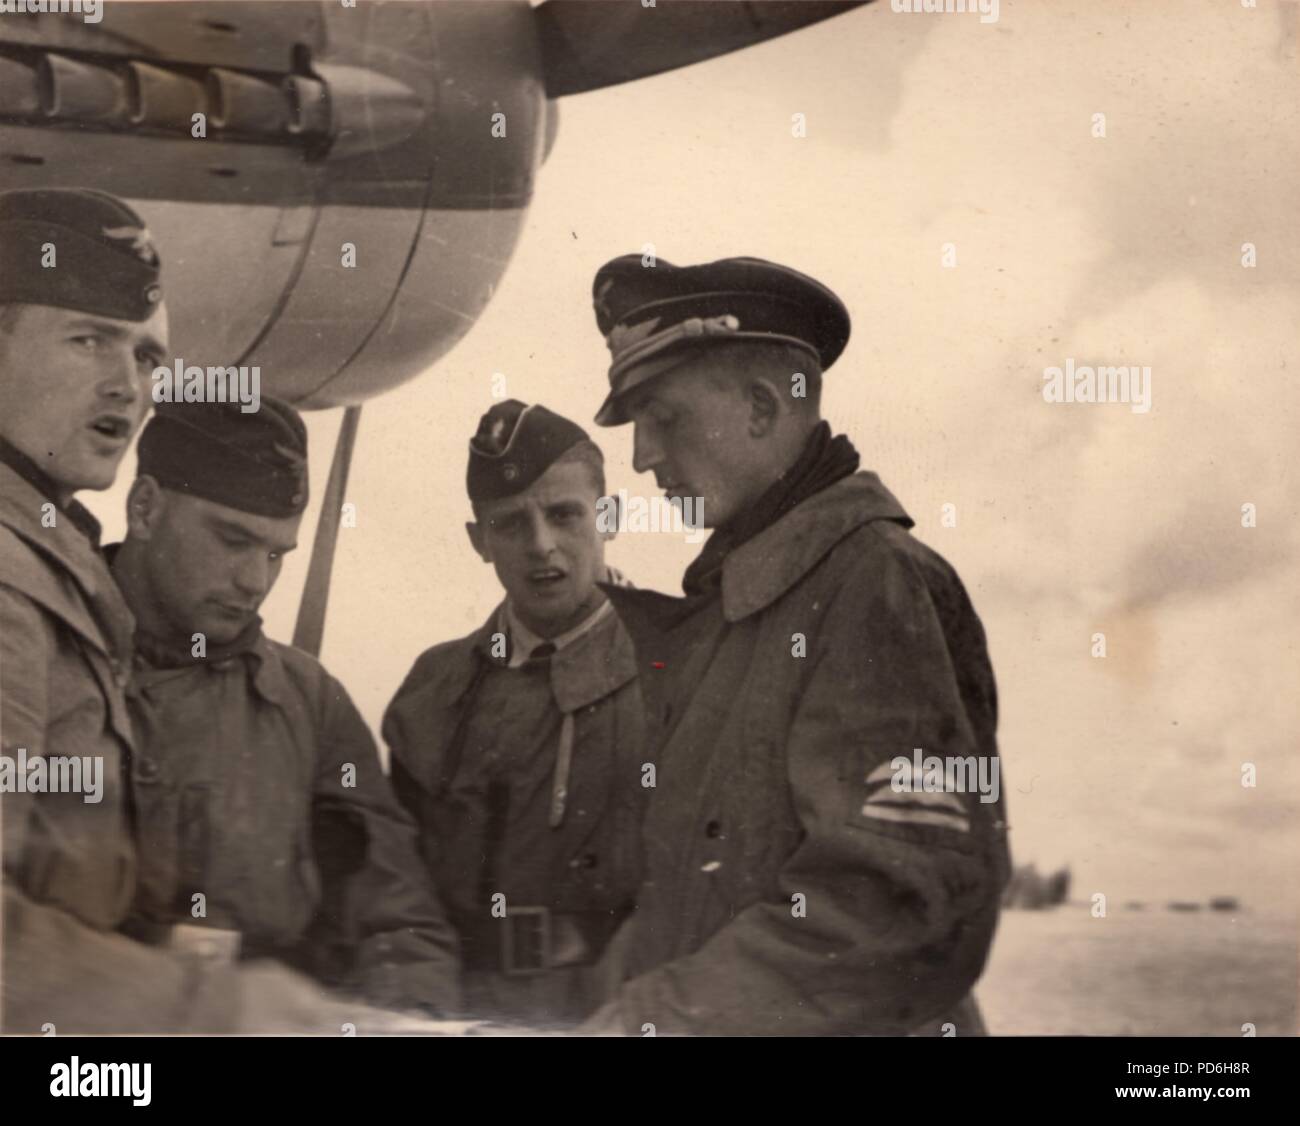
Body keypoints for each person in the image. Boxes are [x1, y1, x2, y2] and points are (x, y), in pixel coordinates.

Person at [579, 254, 1012, 1035]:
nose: (641, 457)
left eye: (664, 418)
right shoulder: (741, 609)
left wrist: (660, 1017)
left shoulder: (876, 586)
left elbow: (897, 901)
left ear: (760, 407)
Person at [107, 396, 461, 1015]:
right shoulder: (41, 653)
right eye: (233, 540)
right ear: (144, 508)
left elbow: (396, 923)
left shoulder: (309, 703)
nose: (255, 581)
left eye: (275, 554)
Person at [383, 400, 645, 1029]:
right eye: (509, 523)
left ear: (607, 516)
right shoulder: (433, 689)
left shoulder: (685, 669)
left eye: (563, 515)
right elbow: (397, 887)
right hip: (460, 1012)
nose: (541, 546)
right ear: (479, 540)